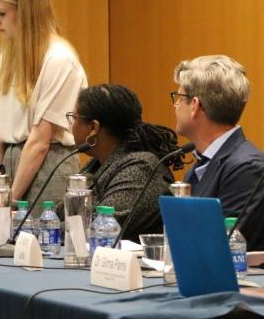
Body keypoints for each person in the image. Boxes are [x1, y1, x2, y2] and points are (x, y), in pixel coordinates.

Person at [0, 0, 87, 215]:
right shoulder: (7, 58)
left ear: (27, 13)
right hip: (9, 169)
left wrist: (9, 200)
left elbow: (40, 141)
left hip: (47, 168)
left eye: (1, 14)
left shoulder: (59, 59)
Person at [172, 55, 264, 257]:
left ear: (195, 105)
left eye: (179, 97)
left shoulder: (247, 169)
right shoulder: (201, 165)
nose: (175, 105)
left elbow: (219, 245)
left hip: (240, 284)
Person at [65, 83, 184, 241]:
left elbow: (101, 227)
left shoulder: (141, 168)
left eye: (74, 118)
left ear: (93, 127)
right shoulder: (96, 165)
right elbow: (63, 210)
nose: (71, 125)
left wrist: (52, 225)